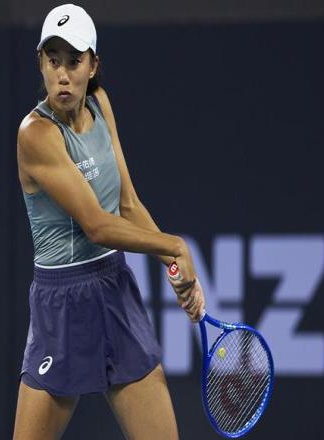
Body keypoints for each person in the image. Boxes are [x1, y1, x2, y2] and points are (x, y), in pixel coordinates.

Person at [13, 4, 205, 439]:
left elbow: (128, 204)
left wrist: (175, 268)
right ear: (40, 62)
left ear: (93, 65)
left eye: (74, 61)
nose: (63, 75)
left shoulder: (100, 104)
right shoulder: (35, 134)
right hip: (62, 302)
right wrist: (175, 247)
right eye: (53, 60)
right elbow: (97, 225)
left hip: (114, 288)